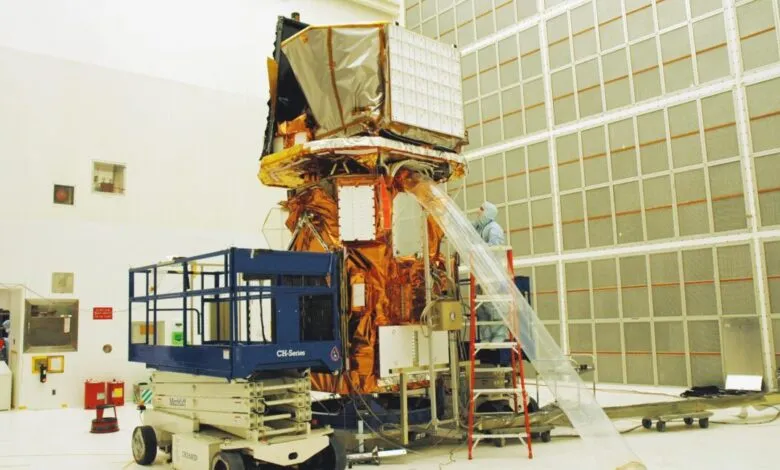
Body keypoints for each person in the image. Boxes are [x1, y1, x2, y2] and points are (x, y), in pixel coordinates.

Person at [472, 202, 508, 342]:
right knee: (481, 307)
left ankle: (499, 334)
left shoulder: (494, 228)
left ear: (488, 212)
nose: (478, 211)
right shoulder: (481, 228)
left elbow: (496, 247)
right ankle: (486, 336)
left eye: (481, 209)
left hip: (493, 275)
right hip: (482, 274)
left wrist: (479, 248)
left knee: (494, 305)